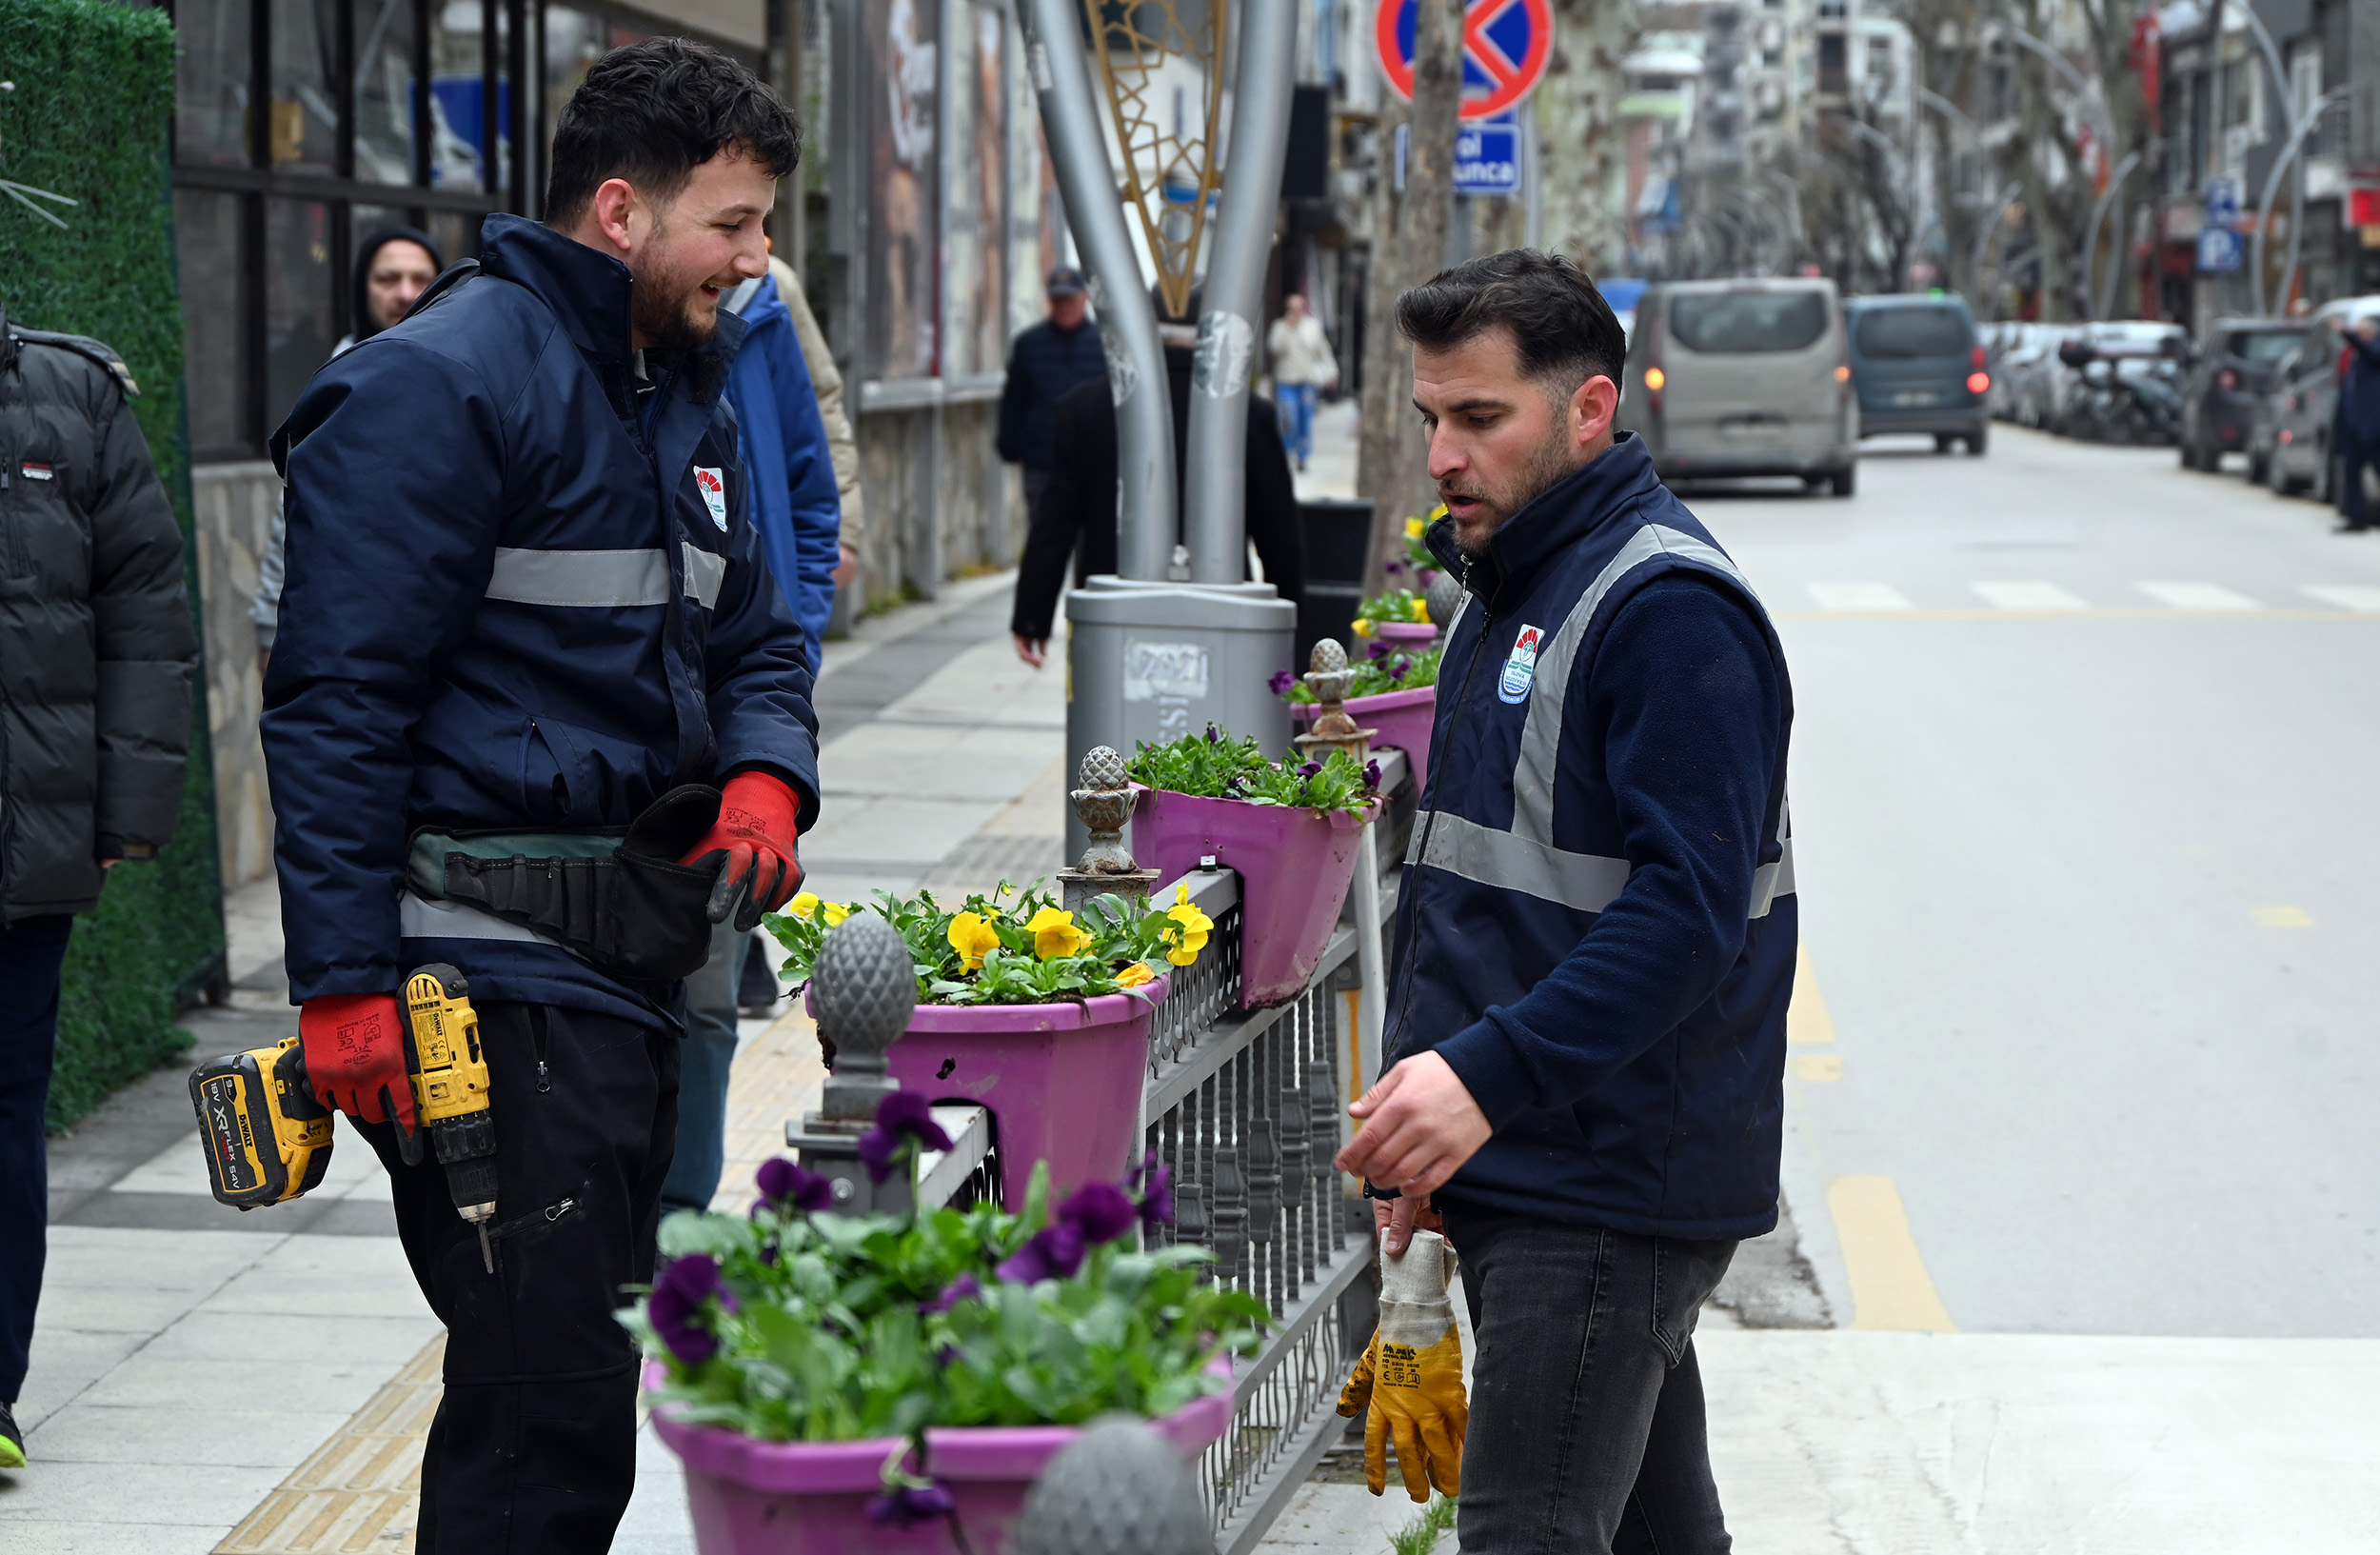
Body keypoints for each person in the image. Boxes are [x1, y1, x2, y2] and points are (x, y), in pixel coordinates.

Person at [262, 38, 817, 1550]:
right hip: (486, 986)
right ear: (625, 213)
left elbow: (757, 632)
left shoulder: (681, 391)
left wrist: (768, 772)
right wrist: (342, 990)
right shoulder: (437, 384)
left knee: (571, 1403)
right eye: (738, 223)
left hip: (624, 972)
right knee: (542, 1415)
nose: (758, 260)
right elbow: (336, 704)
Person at [1333, 249, 1795, 1555]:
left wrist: (1480, 1079)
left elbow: (1688, 915)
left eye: (1481, 418)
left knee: (1529, 1531)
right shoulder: (1512, 578)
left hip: (1605, 1178)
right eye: (1432, 417)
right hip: (1538, 1150)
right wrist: (1434, 1115)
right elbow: (1486, 893)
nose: (1443, 455)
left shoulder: (1669, 611)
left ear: (1589, 410)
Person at [0, 308, 197, 1472]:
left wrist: (122, 814)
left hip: (21, 846)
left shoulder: (73, 396)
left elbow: (144, 612)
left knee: (8, 1107)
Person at [661, 249, 843, 1221]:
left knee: (707, 992)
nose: (752, 248)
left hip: (744, 703)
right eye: (735, 218)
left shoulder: (766, 316)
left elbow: (815, 487)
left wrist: (795, 638)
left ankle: (679, 1216)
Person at [1009, 291, 1306, 668]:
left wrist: (1032, 615)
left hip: (1111, 615)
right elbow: (1279, 535)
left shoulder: (1083, 408)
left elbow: (1054, 524)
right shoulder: (1250, 415)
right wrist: (1295, 633)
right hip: (1222, 613)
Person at [250, 229, 446, 664]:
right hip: (348, 632)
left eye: (421, 278)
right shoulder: (337, 384)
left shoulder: (470, 380)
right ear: (362, 289)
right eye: (387, 279)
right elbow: (296, 512)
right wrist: (270, 625)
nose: (405, 293)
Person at [997, 267, 1105, 520]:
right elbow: (1014, 401)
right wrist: (1010, 446)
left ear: (1084, 299)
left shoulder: (1102, 345)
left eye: (1069, 299)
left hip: (1091, 462)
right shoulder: (1029, 344)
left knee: (1090, 544)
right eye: (1058, 300)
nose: (1064, 307)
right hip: (1042, 459)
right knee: (1043, 535)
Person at [1266, 291, 1338, 471]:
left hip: (1306, 382)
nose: (1295, 312)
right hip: (1286, 381)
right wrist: (1287, 328)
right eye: (1291, 308)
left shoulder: (1312, 326)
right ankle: (1286, 452)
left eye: (1298, 308)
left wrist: (1332, 372)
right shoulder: (1279, 327)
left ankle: (1302, 456)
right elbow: (1274, 348)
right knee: (1288, 418)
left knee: (1305, 419)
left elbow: (1323, 351)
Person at [2334, 315, 2380, 533]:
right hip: (2354, 424)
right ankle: (2356, 518)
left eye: (2361, 332)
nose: (2358, 335)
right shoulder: (2355, 356)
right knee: (2351, 472)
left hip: (2374, 427)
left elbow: (2372, 354)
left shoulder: (2374, 350)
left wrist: (2348, 333)